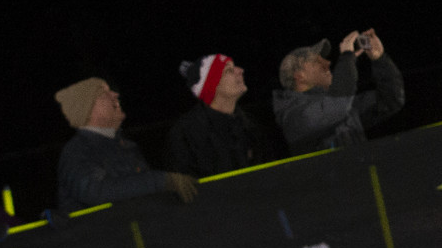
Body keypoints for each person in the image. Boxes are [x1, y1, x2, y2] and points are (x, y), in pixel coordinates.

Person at [53, 78, 198, 214]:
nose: (115, 95)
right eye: (104, 94)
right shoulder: (78, 150)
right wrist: (161, 181)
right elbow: (96, 192)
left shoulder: (126, 146)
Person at [275, 32, 406, 149]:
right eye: (316, 62)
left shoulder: (343, 105)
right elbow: (336, 107)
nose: (327, 64)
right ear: (299, 76)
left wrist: (379, 59)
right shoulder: (294, 118)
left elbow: (391, 101)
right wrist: (347, 57)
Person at [167, 54, 277, 178]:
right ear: (212, 85)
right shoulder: (186, 132)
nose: (240, 70)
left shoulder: (251, 124)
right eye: (229, 70)